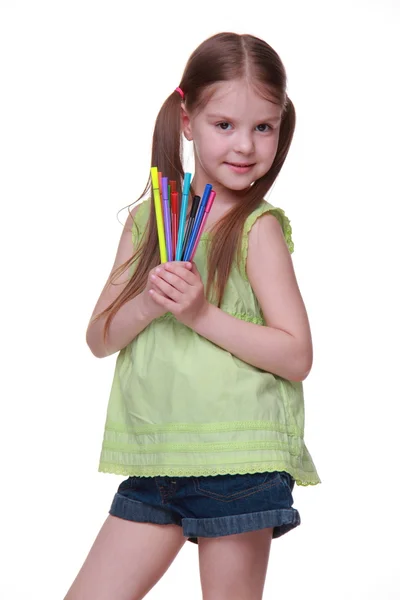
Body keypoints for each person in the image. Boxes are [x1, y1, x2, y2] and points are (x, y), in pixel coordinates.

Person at [64, 31, 320, 600]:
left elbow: (296, 355)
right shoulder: (146, 221)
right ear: (187, 121)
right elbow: (99, 338)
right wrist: (151, 301)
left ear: (281, 127)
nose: (247, 146)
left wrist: (200, 312)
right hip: (159, 458)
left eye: (264, 127)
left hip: (238, 462)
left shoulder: (259, 228)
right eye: (224, 124)